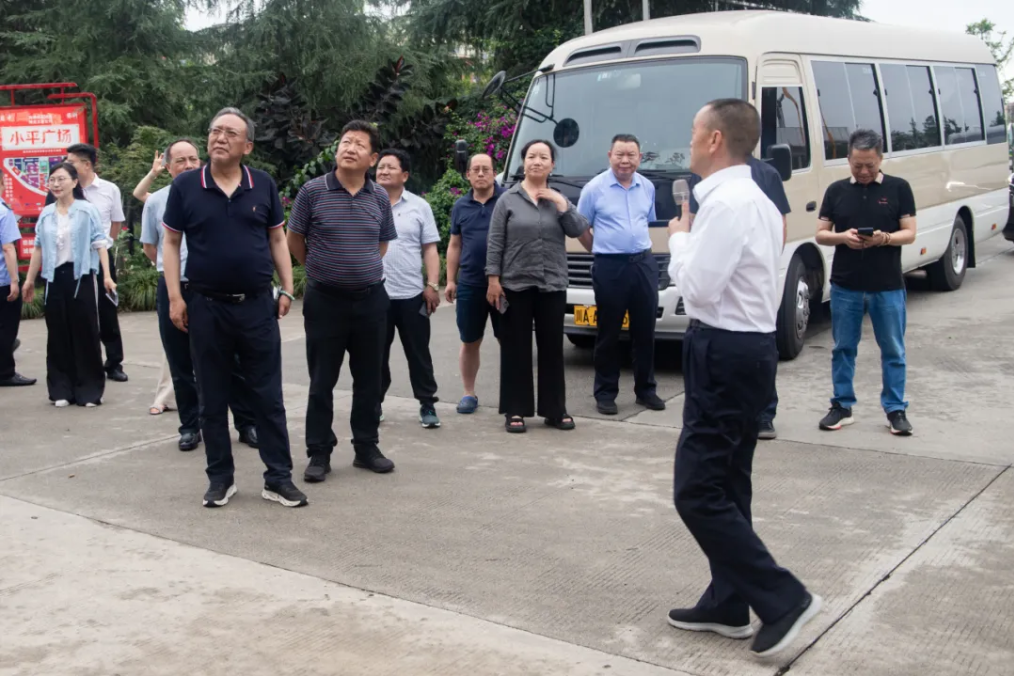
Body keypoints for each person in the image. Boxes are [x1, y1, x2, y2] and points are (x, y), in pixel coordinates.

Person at [665, 99, 820, 658]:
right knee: (729, 483)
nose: (688, 140)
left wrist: (679, 238)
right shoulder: (755, 199)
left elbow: (698, 289)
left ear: (714, 140)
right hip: (746, 350)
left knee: (696, 491)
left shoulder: (726, 204)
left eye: (693, 130)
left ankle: (783, 598)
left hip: (725, 350)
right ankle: (728, 601)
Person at [162, 107, 306, 509]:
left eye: (230, 133)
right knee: (211, 397)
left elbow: (277, 238)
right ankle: (220, 479)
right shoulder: (186, 186)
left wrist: (287, 287)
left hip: (257, 306)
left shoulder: (263, 184)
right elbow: (171, 243)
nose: (220, 138)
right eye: (215, 131)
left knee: (267, 396)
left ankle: (278, 478)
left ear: (248, 146)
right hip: (205, 306)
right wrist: (175, 297)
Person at [287, 120, 398, 483]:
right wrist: (322, 268)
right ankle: (319, 452)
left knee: (369, 379)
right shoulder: (312, 191)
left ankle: (366, 447)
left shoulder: (378, 197)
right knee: (322, 381)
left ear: (373, 158)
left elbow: (381, 244)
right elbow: (294, 239)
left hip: (370, 302)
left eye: (359, 144)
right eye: (345, 141)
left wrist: (358, 269)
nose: (350, 148)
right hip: (325, 302)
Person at [139, 138, 261, 451]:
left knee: (230, 359)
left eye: (193, 159)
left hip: (213, 288)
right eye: (180, 160)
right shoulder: (156, 202)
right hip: (174, 287)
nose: (189, 165)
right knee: (180, 361)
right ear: (168, 167)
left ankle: (246, 423)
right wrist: (173, 283)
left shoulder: (216, 193)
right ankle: (190, 427)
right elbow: (151, 247)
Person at [815, 129, 916, 436]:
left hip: (887, 285)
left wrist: (884, 239)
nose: (863, 171)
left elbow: (909, 232)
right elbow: (821, 234)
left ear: (880, 159)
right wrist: (842, 237)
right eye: (857, 165)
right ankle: (842, 406)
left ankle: (895, 409)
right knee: (843, 348)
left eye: (869, 165)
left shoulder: (899, 188)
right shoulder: (836, 191)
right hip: (846, 285)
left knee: (893, 349)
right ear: (848, 159)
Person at [486, 139, 591, 433]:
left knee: (552, 349)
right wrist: (493, 279)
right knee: (516, 348)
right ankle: (515, 410)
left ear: (552, 165)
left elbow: (578, 229)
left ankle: (555, 410)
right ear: (524, 162)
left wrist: (562, 205)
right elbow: (495, 242)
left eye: (543, 157)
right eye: (532, 156)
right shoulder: (507, 199)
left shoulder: (559, 200)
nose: (537, 161)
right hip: (515, 283)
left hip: (552, 284)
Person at [687, 156, 791, 440]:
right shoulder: (703, 174)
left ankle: (765, 414)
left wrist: (766, 264)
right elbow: (694, 220)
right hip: (717, 278)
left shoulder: (766, 174)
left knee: (761, 347)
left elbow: (780, 223)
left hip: (752, 283)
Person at [577, 134, 666, 416]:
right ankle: (605, 393)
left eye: (631, 155)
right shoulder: (594, 189)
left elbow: (647, 222)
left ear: (640, 158)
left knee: (645, 331)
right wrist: (600, 250)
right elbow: (581, 227)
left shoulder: (647, 187)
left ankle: (646, 390)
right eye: (619, 155)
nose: (625, 160)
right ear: (610, 156)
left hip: (643, 263)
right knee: (608, 332)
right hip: (610, 267)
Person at [21, 162, 116, 407]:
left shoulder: (87, 210)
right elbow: (38, 248)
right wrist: (29, 280)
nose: (56, 184)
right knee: (57, 334)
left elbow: (100, 244)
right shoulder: (46, 213)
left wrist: (107, 276)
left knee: (85, 332)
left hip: (81, 276)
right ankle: (61, 389)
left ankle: (89, 390)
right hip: (54, 279)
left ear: (74, 182)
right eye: (52, 180)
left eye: (61, 179)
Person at [375, 148, 441, 428]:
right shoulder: (366, 202)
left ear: (404, 175)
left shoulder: (419, 206)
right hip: (374, 295)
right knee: (375, 355)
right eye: (380, 167)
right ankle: (373, 403)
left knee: (419, 353)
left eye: (390, 167)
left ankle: (427, 404)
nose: (383, 171)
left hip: (412, 295)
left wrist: (432, 284)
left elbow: (430, 249)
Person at [62, 143, 129, 382]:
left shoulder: (109, 189)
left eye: (71, 162)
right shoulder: (66, 189)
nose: (66, 165)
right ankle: (84, 363)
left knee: (107, 308)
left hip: (101, 258)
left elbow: (116, 222)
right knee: (78, 310)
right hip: (72, 259)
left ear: (86, 164)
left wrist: (106, 244)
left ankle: (114, 363)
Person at [444, 153, 505, 414]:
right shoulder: (460, 206)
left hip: (505, 285)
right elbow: (454, 245)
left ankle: (512, 395)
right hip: (470, 284)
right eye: (475, 169)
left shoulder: (507, 200)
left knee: (509, 340)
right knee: (470, 341)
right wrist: (450, 280)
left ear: (494, 173)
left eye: (486, 169)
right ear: (467, 174)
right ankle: (468, 393)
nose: (481, 174)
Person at [1, 175, 35, 387]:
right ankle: (5, 373)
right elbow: (7, 248)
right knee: (6, 327)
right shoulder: (3, 212)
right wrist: (14, 280)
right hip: (2, 280)